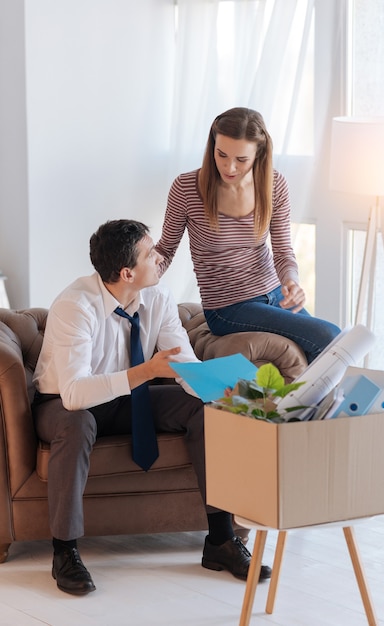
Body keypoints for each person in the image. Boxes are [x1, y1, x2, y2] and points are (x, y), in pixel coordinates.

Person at [32, 219, 271, 596]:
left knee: (205, 410)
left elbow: (185, 365)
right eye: (151, 253)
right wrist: (144, 372)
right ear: (127, 272)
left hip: (128, 397)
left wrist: (235, 391)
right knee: (76, 424)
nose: (161, 257)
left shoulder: (157, 297)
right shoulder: (74, 306)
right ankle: (65, 551)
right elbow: (74, 394)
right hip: (63, 405)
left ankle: (221, 541)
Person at [156, 107, 340, 364]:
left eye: (241, 159)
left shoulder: (274, 184)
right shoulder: (186, 188)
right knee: (330, 336)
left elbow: (283, 250)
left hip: (274, 293)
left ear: (259, 153)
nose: (229, 167)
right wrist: (129, 284)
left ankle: (302, 405)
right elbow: (164, 250)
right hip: (228, 308)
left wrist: (292, 281)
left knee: (337, 347)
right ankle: (303, 404)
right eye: (221, 154)